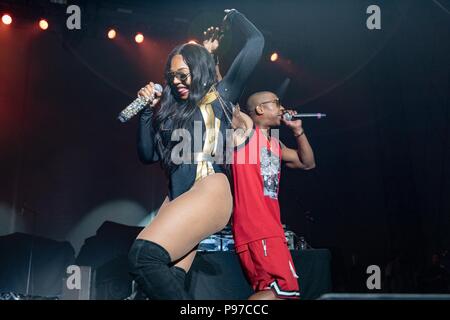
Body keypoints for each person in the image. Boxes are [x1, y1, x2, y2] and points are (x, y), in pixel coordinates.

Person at [127, 9, 264, 300]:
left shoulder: (220, 96)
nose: (176, 81)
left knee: (142, 257)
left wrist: (235, 17)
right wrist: (145, 113)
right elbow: (147, 155)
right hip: (178, 196)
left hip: (209, 188)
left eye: (183, 74)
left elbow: (256, 42)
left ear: (198, 70)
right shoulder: (169, 111)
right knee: (158, 283)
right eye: (171, 76)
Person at [231, 91, 316, 299]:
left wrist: (298, 131)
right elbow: (229, 103)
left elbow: (308, 163)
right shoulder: (245, 134)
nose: (282, 108)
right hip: (258, 228)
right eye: (276, 103)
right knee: (284, 290)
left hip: (270, 229)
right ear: (260, 109)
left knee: (276, 293)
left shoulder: (275, 145)